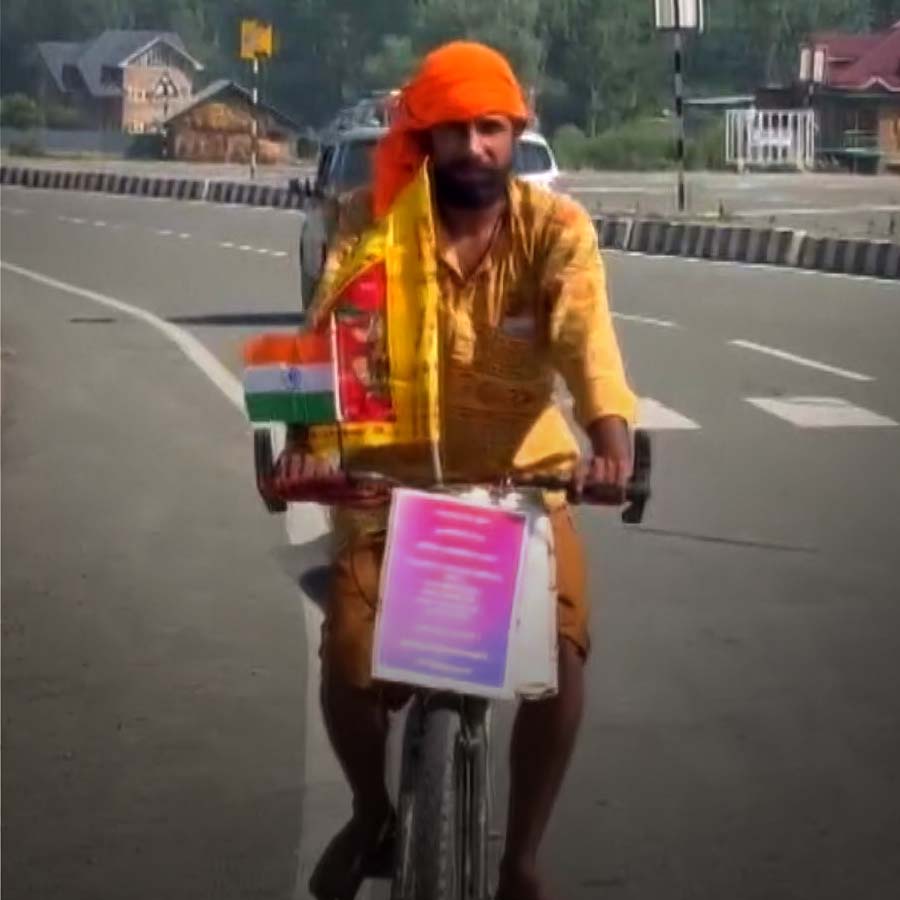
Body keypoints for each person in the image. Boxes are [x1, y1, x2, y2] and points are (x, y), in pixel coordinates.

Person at [274, 41, 637, 900]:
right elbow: (327, 337)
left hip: (524, 495)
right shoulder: (369, 221)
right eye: (452, 131)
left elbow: (588, 341)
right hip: (385, 491)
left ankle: (522, 856)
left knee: (562, 654)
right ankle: (373, 811)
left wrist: (610, 442)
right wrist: (300, 446)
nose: (473, 147)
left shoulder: (558, 230)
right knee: (348, 662)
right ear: (423, 138)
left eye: (491, 129)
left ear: (517, 131)